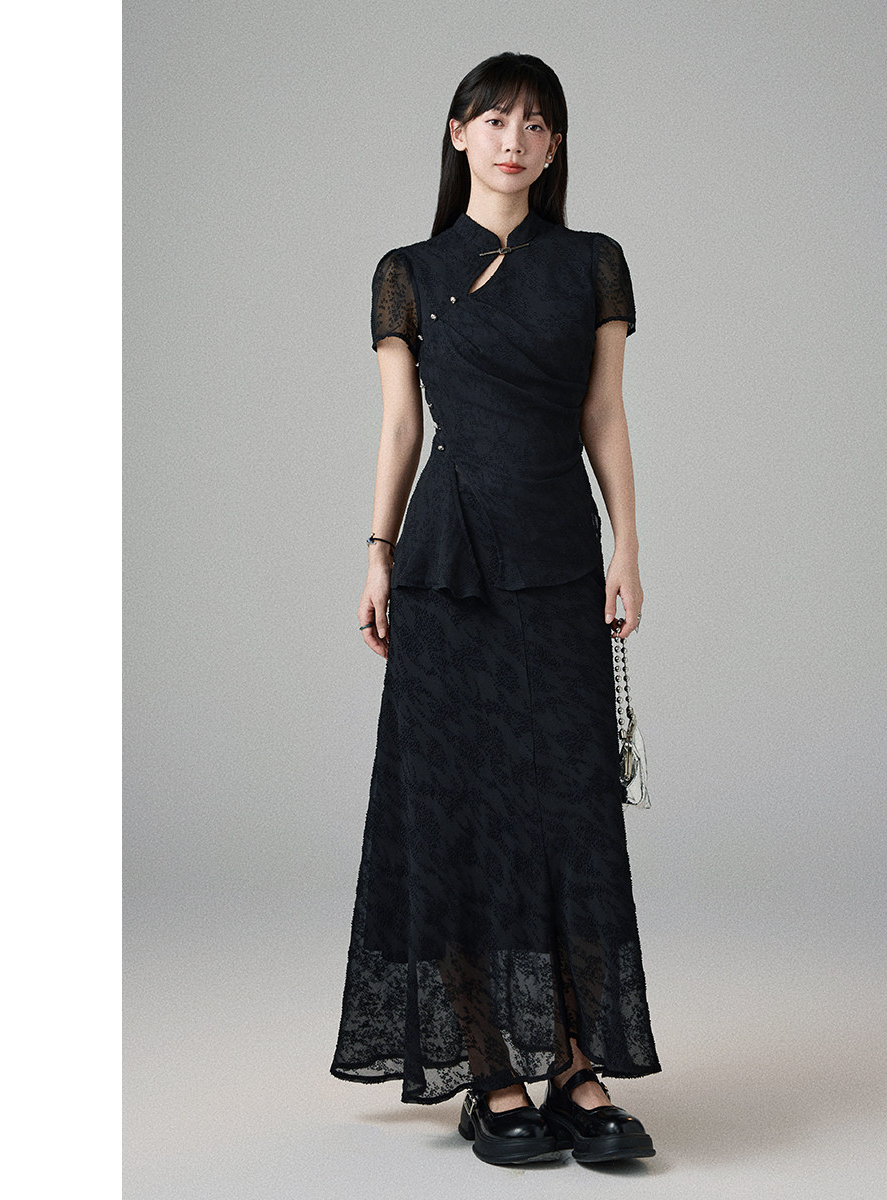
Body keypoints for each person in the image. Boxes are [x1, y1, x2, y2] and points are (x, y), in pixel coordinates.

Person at [330, 52, 661, 1167]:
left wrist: (628, 544)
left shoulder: (592, 263)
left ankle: (576, 1064)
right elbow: (401, 428)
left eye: (535, 123)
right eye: (494, 119)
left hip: (560, 558)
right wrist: (378, 555)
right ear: (459, 132)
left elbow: (604, 415)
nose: (514, 139)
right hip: (448, 565)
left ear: (555, 147)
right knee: (460, 813)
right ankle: (490, 1072)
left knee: (570, 811)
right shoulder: (409, 273)